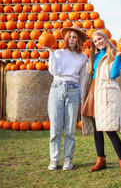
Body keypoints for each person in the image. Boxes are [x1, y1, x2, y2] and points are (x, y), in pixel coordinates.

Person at [81, 30, 121, 176]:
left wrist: (119, 57)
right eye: (95, 41)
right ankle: (101, 160)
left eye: (100, 39)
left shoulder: (114, 53)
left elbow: (114, 74)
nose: (98, 42)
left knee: (109, 129)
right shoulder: (95, 56)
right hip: (94, 91)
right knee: (97, 129)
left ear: (105, 38)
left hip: (107, 91)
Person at [45, 25, 88, 171]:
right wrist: (51, 53)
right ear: (65, 38)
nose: (71, 39)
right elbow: (54, 71)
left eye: (74, 37)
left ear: (78, 40)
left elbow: (82, 80)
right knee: (55, 128)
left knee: (70, 128)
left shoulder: (83, 58)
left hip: (73, 91)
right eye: (69, 36)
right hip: (57, 88)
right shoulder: (58, 53)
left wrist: (82, 98)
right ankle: (54, 159)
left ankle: (68, 159)